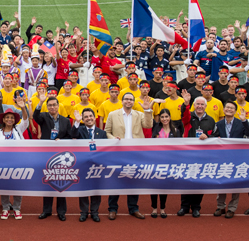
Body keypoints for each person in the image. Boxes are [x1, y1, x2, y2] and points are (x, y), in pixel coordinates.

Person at [104, 92, 154, 220]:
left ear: (133, 102)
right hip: (118, 152)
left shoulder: (140, 114)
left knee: (134, 181)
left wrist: (147, 110)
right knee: (115, 180)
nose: (128, 101)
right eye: (126, 99)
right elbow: (107, 132)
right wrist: (113, 138)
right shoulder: (113, 114)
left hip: (135, 152)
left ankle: (133, 208)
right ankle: (112, 209)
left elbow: (148, 125)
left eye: (131, 99)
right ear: (122, 101)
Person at [34, 96, 73, 220]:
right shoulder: (44, 117)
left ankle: (61, 212)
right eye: (49, 105)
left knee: (61, 182)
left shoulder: (65, 121)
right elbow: (35, 116)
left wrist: (61, 140)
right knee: (48, 182)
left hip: (61, 156)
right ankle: (47, 210)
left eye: (54, 105)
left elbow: (69, 136)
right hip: (47, 154)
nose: (52, 107)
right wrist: (40, 102)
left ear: (58, 106)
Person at [214, 101, 249, 218]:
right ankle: (220, 206)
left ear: (235, 111)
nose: (229, 109)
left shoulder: (241, 123)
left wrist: (244, 120)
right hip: (222, 158)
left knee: (235, 183)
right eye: (227, 107)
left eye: (232, 108)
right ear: (224, 109)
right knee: (221, 182)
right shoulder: (219, 124)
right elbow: (214, 137)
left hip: (237, 158)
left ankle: (232, 208)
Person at [0, 98, 30, 218]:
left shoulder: (18, 130)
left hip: (18, 162)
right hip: (3, 163)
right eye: (7, 117)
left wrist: (23, 107)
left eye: (12, 118)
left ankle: (17, 208)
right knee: (5, 186)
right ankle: (5, 208)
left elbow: (26, 121)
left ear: (15, 120)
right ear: (3, 120)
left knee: (17, 186)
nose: (9, 120)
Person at [179, 97, 215, 217]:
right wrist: (186, 103)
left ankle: (196, 207)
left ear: (206, 106)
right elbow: (184, 115)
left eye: (202, 104)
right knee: (186, 181)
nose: (199, 106)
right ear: (194, 105)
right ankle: (184, 207)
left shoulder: (210, 120)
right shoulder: (189, 117)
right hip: (188, 154)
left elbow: (215, 136)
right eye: (197, 104)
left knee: (200, 181)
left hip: (203, 155)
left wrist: (208, 137)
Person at [70, 107, 107, 222]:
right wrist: (76, 121)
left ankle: (95, 212)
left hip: (97, 166)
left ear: (94, 117)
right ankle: (84, 212)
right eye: (85, 117)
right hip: (83, 165)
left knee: (96, 189)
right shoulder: (79, 130)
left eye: (90, 116)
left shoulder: (102, 133)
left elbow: (105, 149)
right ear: (83, 119)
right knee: (84, 189)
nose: (88, 118)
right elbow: (73, 134)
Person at [151, 108, 182, 217]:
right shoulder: (156, 129)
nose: (164, 119)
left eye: (166, 117)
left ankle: (163, 208)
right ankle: (154, 208)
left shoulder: (176, 130)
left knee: (164, 186)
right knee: (154, 186)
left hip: (168, 162)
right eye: (162, 117)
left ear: (170, 117)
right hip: (155, 161)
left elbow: (178, 147)